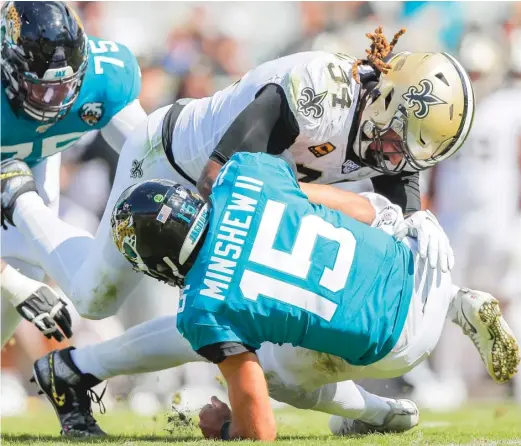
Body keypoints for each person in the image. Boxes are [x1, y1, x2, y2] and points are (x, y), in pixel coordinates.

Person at [109, 152, 519, 441]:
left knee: (270, 372)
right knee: (333, 213)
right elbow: (346, 204)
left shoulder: (203, 306)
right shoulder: (244, 172)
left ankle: (379, 414)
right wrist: (398, 220)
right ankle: (452, 299)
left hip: (397, 345)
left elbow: (260, 432)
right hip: (421, 260)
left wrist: (226, 428)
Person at [0, 1, 146, 346]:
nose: (53, 101)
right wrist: (13, 285)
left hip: (23, 172)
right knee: (19, 282)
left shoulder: (106, 74)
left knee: (28, 266)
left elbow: (149, 152)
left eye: (65, 87)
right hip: (18, 171)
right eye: (40, 88)